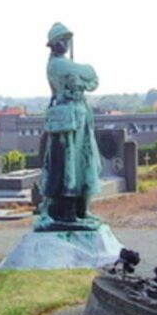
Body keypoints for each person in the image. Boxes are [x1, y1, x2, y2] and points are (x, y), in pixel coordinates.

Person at [35, 23, 103, 232]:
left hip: (80, 117)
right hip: (67, 120)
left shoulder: (65, 64)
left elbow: (94, 82)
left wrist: (84, 80)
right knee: (69, 166)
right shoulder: (57, 64)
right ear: (53, 44)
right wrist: (83, 75)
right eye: (61, 40)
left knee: (86, 164)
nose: (65, 43)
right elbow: (88, 72)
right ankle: (67, 213)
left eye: (67, 40)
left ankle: (82, 210)